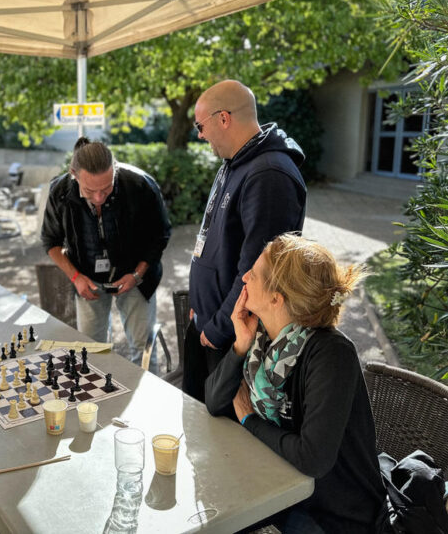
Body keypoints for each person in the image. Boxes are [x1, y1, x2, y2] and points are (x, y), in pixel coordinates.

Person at [205, 234, 385, 533]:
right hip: (275, 484)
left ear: (277, 299)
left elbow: (312, 459)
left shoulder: (331, 353)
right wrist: (239, 345)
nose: (245, 276)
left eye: (255, 273)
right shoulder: (262, 337)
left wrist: (249, 419)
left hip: (332, 512)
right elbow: (214, 402)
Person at [184, 79, 307, 401]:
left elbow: (257, 270)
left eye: (201, 125)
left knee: (221, 432)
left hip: (232, 337)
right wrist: (199, 307)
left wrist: (219, 326)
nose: (200, 134)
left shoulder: (269, 175)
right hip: (208, 322)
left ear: (223, 118)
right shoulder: (234, 162)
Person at [41, 137, 171, 371]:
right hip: (86, 278)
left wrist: (137, 274)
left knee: (142, 349)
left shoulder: (140, 185)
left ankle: (147, 401)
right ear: (74, 174)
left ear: (115, 170)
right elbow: (50, 242)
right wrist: (75, 277)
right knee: (90, 351)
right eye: (90, 190)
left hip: (136, 276)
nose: (99, 197)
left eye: (107, 188)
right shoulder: (60, 192)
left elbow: (160, 235)